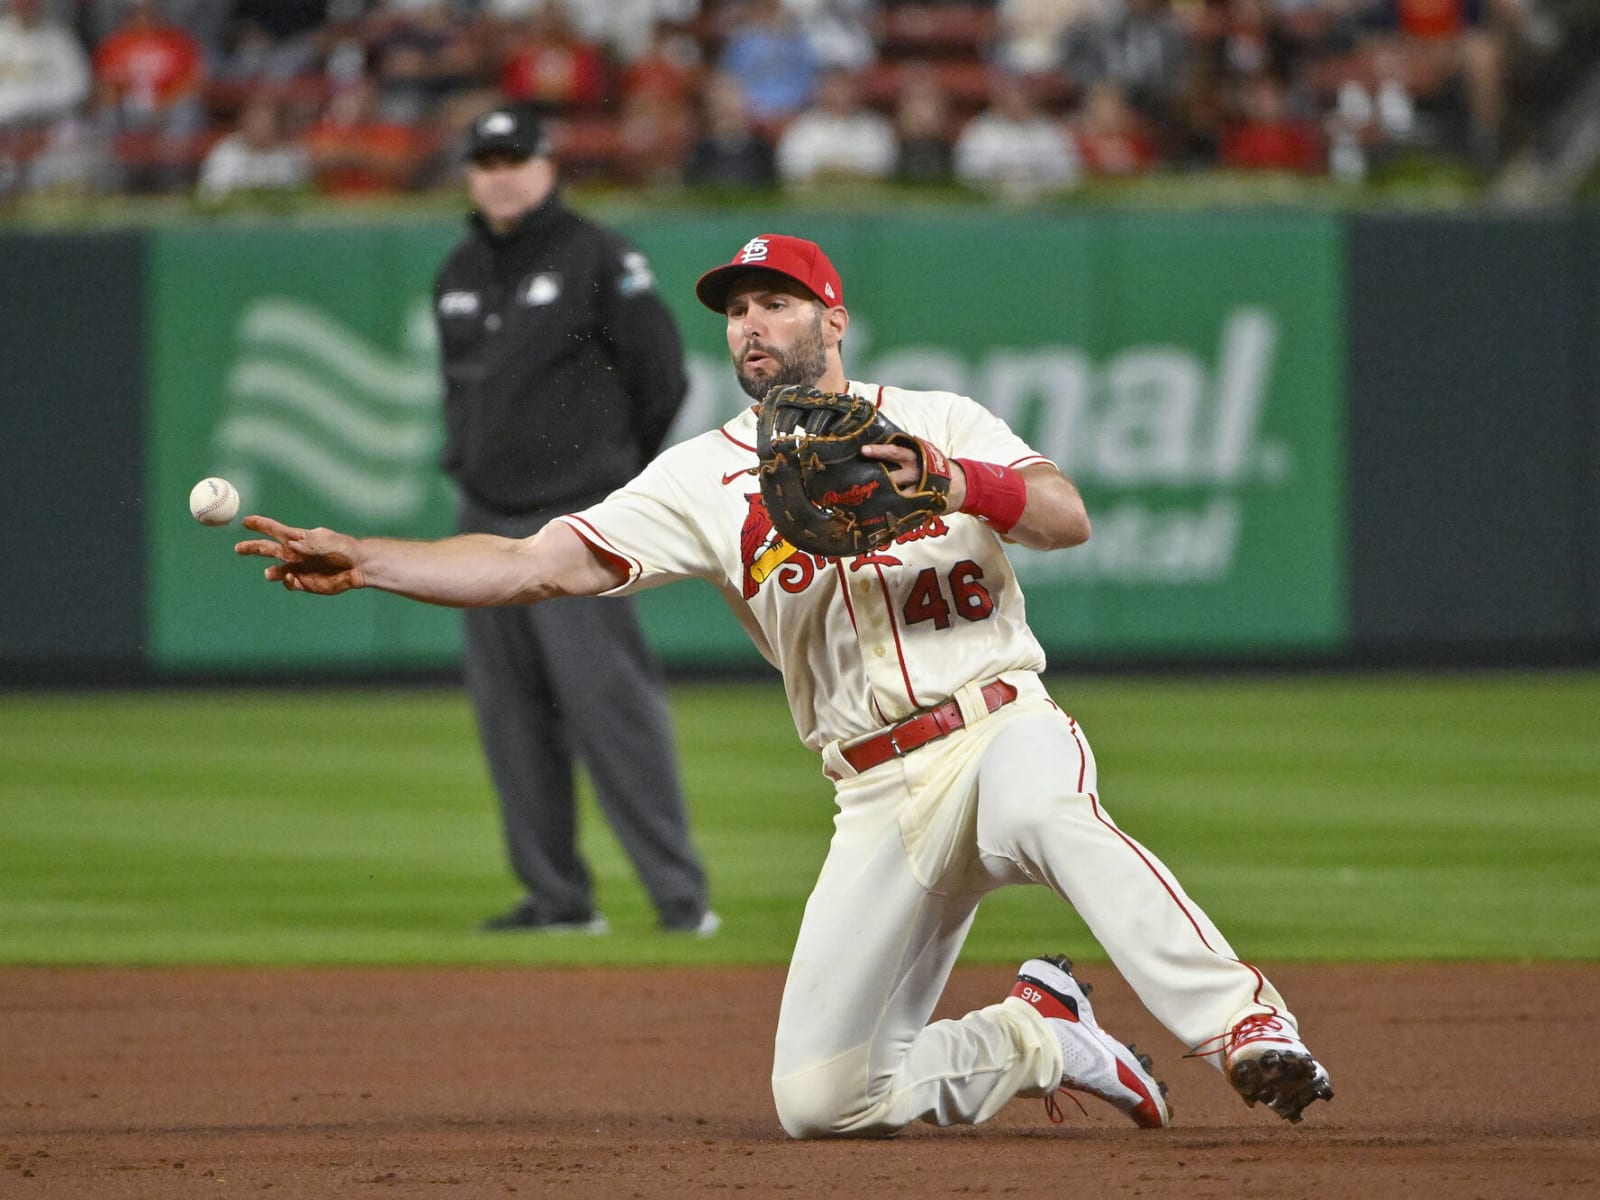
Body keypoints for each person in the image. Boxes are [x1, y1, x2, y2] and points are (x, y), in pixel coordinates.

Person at [236, 232, 1335, 1135]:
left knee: (1055, 810)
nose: (751, 325)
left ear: (833, 319)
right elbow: (531, 564)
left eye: (776, 301)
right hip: (871, 794)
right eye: (736, 310)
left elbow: (1065, 516)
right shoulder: (702, 475)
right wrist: (370, 559)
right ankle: (1039, 1035)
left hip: (999, 727)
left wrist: (954, 479)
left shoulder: (938, 418)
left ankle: (1242, 1027)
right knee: (821, 1101)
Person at [427, 103, 715, 936]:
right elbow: (461, 389)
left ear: (548, 165)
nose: (501, 173)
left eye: (516, 157)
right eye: (486, 161)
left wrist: (613, 486)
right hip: (483, 518)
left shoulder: (599, 255)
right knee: (510, 716)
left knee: (610, 707)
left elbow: (661, 377)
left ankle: (679, 900)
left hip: (576, 518)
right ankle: (557, 901)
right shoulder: (457, 268)